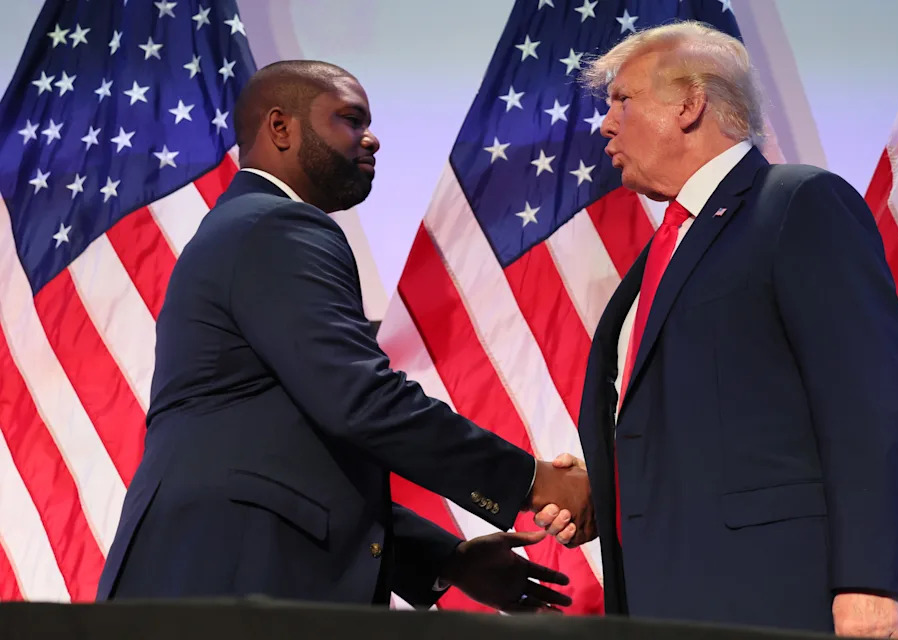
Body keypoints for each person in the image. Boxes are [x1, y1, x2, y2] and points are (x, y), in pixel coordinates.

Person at [96, 60, 592, 613]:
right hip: (237, 578)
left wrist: (445, 560)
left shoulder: (244, 226)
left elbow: (293, 449)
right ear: (280, 127)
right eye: (350, 119)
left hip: (209, 571)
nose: (371, 138)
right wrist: (532, 481)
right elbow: (360, 400)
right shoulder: (278, 226)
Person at [536, 21, 898, 636]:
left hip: (781, 602)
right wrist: (607, 490)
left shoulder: (799, 204)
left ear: (689, 103)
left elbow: (867, 405)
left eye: (622, 101)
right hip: (664, 603)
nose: (606, 125)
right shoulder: (660, 255)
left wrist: (872, 583)